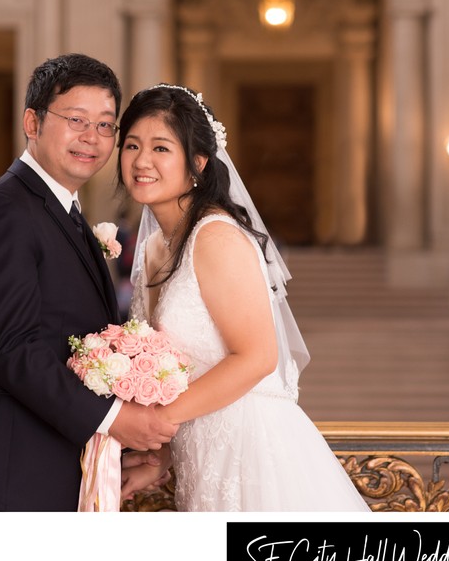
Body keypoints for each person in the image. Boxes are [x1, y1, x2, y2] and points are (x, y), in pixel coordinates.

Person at [117, 84, 370, 511]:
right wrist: (157, 456)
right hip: (200, 455)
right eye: (132, 145)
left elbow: (256, 357)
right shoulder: (152, 247)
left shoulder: (215, 236)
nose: (142, 160)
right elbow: (178, 373)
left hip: (251, 450)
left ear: (197, 162)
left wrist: (157, 421)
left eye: (161, 148)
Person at [0, 54, 177, 511]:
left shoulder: (64, 213)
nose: (91, 138)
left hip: (65, 465)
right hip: (15, 472)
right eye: (76, 120)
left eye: (106, 126)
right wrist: (115, 418)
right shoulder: (0, 211)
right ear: (32, 122)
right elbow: (10, 350)